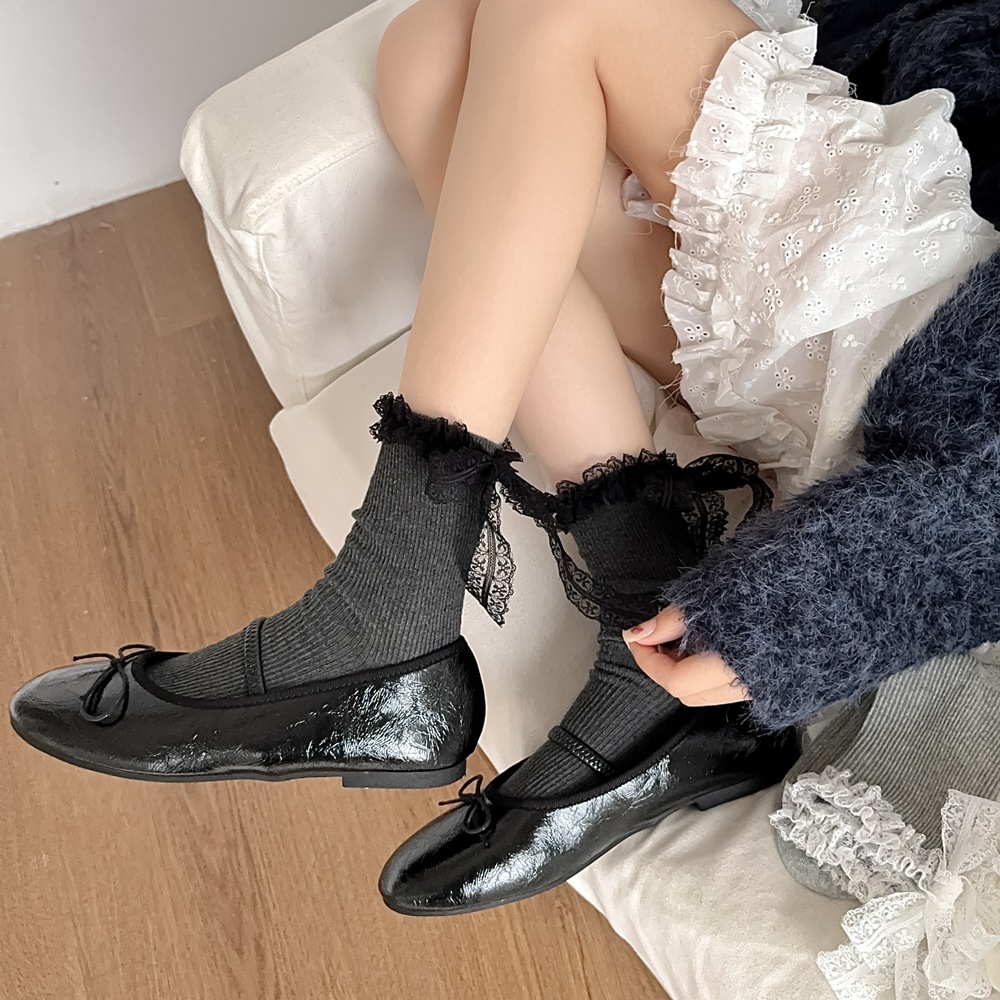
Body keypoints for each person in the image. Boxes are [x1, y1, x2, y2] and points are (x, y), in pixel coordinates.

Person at [10, 0, 997, 915]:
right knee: (428, 55)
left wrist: (819, 600)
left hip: (949, 387)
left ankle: (385, 602)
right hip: (909, 304)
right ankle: (642, 576)